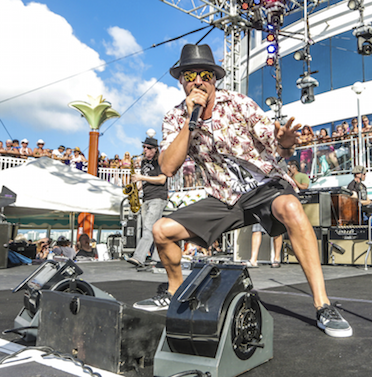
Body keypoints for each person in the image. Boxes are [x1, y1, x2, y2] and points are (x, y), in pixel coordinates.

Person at [133, 44, 352, 337]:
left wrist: (287, 142)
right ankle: (174, 290)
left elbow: (277, 145)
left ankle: (323, 304)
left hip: (263, 186)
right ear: (181, 81)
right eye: (190, 75)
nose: (197, 81)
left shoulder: (237, 103)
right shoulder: (175, 118)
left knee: (290, 207)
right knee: (161, 230)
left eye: (204, 74)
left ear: (214, 78)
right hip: (223, 197)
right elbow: (168, 168)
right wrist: (190, 121)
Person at [126, 135, 168, 267]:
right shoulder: (144, 162)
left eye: (148, 148)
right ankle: (157, 258)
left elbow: (162, 179)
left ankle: (139, 257)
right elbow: (146, 179)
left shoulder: (161, 161)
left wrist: (141, 177)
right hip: (146, 197)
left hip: (158, 197)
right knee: (154, 229)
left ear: (155, 149)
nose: (145, 150)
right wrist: (137, 188)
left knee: (148, 228)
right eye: (144, 147)